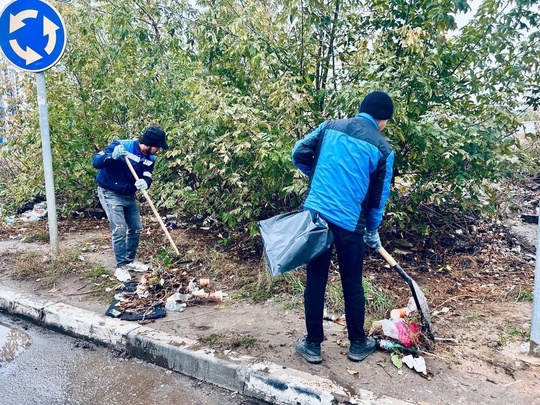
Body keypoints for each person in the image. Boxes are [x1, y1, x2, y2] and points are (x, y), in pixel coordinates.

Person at [291, 91, 395, 364]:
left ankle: (312, 345)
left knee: (315, 280)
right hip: (351, 224)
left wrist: (314, 174)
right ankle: (358, 344)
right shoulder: (383, 149)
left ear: (361, 109)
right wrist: (372, 230)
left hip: (317, 217)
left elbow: (298, 152)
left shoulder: (329, 127)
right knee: (352, 283)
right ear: (382, 119)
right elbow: (377, 199)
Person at [92, 126, 169, 278]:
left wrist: (145, 182)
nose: (159, 149)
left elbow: (147, 175)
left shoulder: (150, 158)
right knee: (119, 229)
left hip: (128, 194)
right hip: (110, 192)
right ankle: (121, 267)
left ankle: (129, 261)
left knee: (136, 227)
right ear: (148, 144)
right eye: (158, 146)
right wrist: (111, 156)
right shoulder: (121, 145)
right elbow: (96, 162)